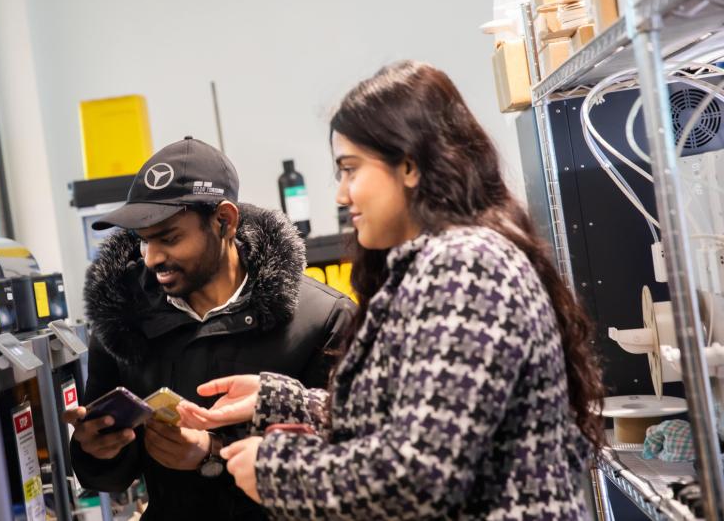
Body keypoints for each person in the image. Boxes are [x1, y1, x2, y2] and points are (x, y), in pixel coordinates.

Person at [177, 61, 606, 519]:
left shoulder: (464, 268)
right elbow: (417, 412)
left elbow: (421, 471)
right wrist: (282, 400)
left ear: (409, 166)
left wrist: (276, 470)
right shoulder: (441, 262)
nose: (342, 195)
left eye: (350, 170)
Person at [65, 136, 356, 520]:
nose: (153, 259)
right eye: (144, 242)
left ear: (224, 220)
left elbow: (347, 457)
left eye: (169, 238)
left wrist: (214, 450)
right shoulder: (123, 323)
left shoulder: (321, 318)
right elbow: (112, 477)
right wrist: (95, 450)